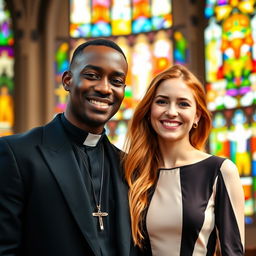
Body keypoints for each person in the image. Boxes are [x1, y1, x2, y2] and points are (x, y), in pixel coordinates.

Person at [0, 38, 141, 256]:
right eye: (92, 76)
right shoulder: (17, 154)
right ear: (67, 80)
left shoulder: (129, 166)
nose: (105, 88)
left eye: (116, 81)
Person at [123, 64, 245, 255]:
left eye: (183, 104)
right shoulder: (132, 172)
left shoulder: (220, 170)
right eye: (162, 102)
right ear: (149, 111)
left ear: (197, 116)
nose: (171, 111)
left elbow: (233, 251)